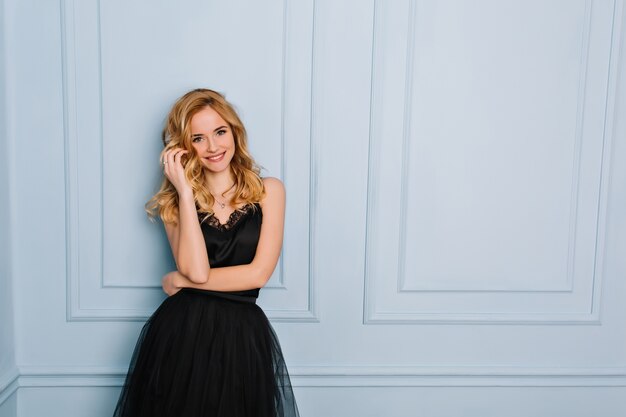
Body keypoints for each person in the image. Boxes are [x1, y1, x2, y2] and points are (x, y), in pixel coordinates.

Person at [113, 88, 300, 417]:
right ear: (182, 148)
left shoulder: (269, 191)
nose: (213, 147)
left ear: (234, 132)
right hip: (183, 333)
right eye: (198, 138)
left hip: (244, 333)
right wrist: (185, 192)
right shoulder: (173, 205)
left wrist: (180, 282)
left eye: (220, 132)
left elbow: (257, 274)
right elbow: (197, 270)